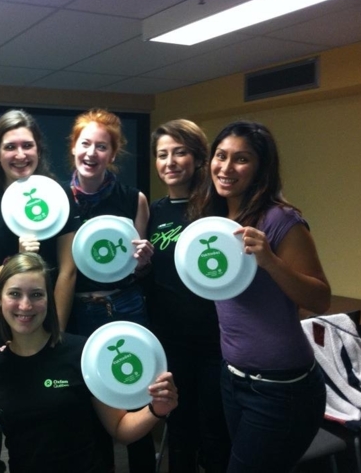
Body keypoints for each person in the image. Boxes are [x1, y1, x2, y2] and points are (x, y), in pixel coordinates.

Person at [188, 120, 330, 472]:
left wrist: (269, 261)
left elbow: (320, 299)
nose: (226, 167)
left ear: (260, 167)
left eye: (241, 159)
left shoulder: (281, 219)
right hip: (233, 378)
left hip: (282, 389)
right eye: (220, 156)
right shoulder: (215, 218)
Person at [0, 252, 178, 473]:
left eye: (36, 294)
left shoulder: (82, 353)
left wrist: (156, 410)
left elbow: (120, 428)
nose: (25, 305)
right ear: (0, 298)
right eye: (14, 294)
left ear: (49, 299)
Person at [64, 108, 156, 472]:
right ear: (73, 147)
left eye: (101, 147)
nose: (91, 153)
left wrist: (145, 258)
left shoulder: (134, 199)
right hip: (79, 312)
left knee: (137, 394)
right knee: (90, 404)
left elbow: (138, 267)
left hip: (127, 306)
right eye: (85, 143)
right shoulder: (57, 202)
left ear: (112, 155)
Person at [147, 119, 231, 472]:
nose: (170, 162)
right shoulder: (154, 211)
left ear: (198, 158)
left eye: (179, 152)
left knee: (214, 432)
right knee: (179, 428)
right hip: (168, 343)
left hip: (214, 343)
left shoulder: (217, 208)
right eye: (162, 154)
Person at [0, 109, 77, 352]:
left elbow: (69, 271)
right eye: (10, 147)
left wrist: (56, 334)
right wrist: (17, 260)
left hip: (50, 324)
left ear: (38, 149)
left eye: (28, 145)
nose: (20, 155)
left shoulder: (59, 197)